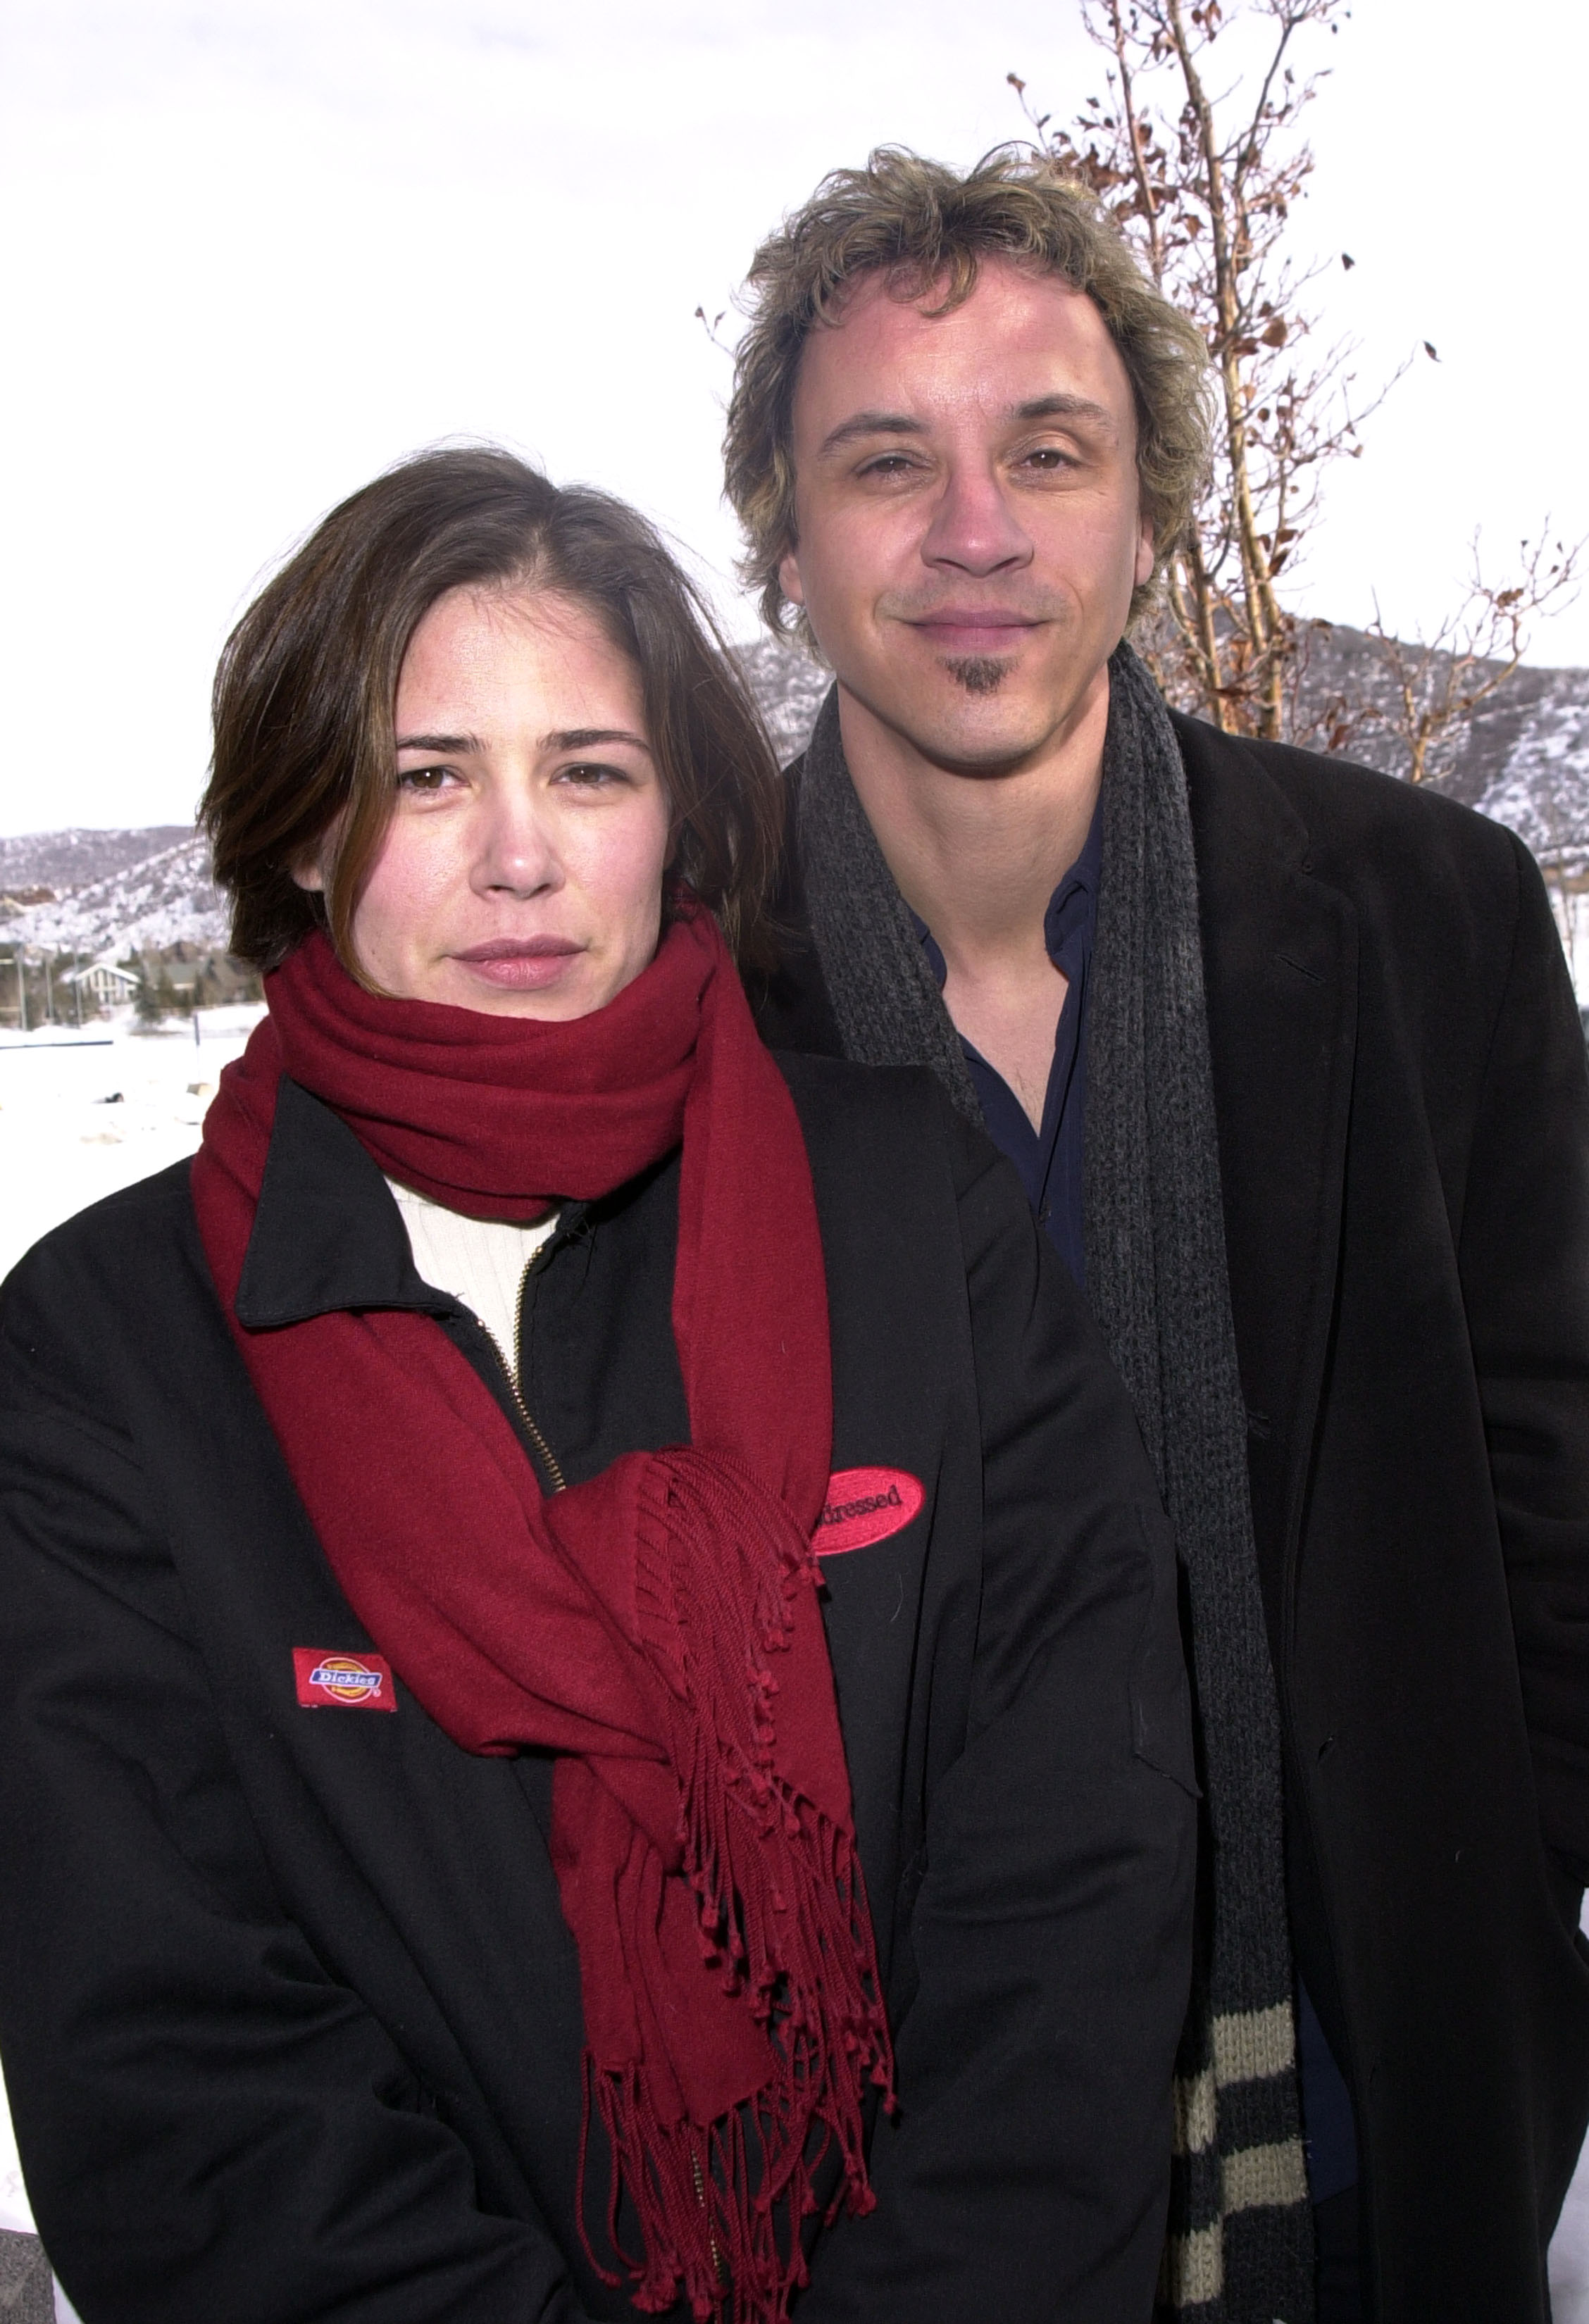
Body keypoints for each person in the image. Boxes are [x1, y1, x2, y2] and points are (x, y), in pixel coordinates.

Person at [0, 447, 1195, 2324]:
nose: (521, 855)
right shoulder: (106, 1352)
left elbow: (1078, 1876)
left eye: (589, 769)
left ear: (676, 816)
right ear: (304, 830)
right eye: (426, 775)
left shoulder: (911, 1215)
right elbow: (171, 2057)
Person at [728, 149, 1589, 2324]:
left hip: (1393, 2130)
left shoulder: (1430, 922)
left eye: (1049, 448)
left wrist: (1488, 1910)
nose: (978, 531)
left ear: (1148, 503)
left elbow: (1565, 1504)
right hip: (878, 2201)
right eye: (883, 462)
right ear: (785, 542)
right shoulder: (690, 1017)